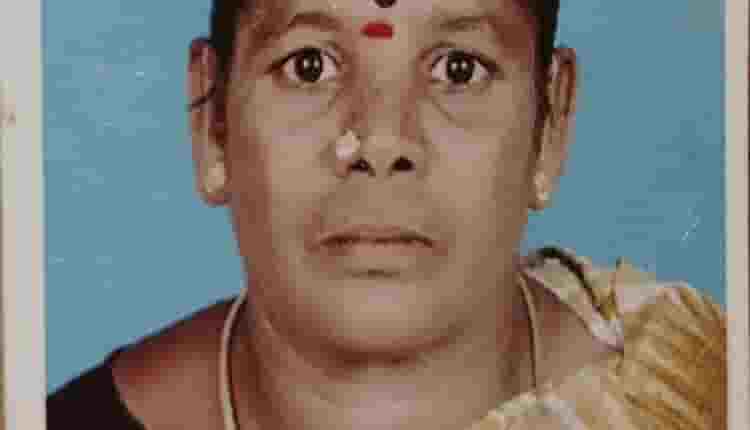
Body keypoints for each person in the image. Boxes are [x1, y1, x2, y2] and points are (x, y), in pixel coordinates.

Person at [47, 0, 726, 428]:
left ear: (551, 124)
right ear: (212, 120)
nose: (379, 141)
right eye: (308, 66)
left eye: (459, 69)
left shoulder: (696, 391)